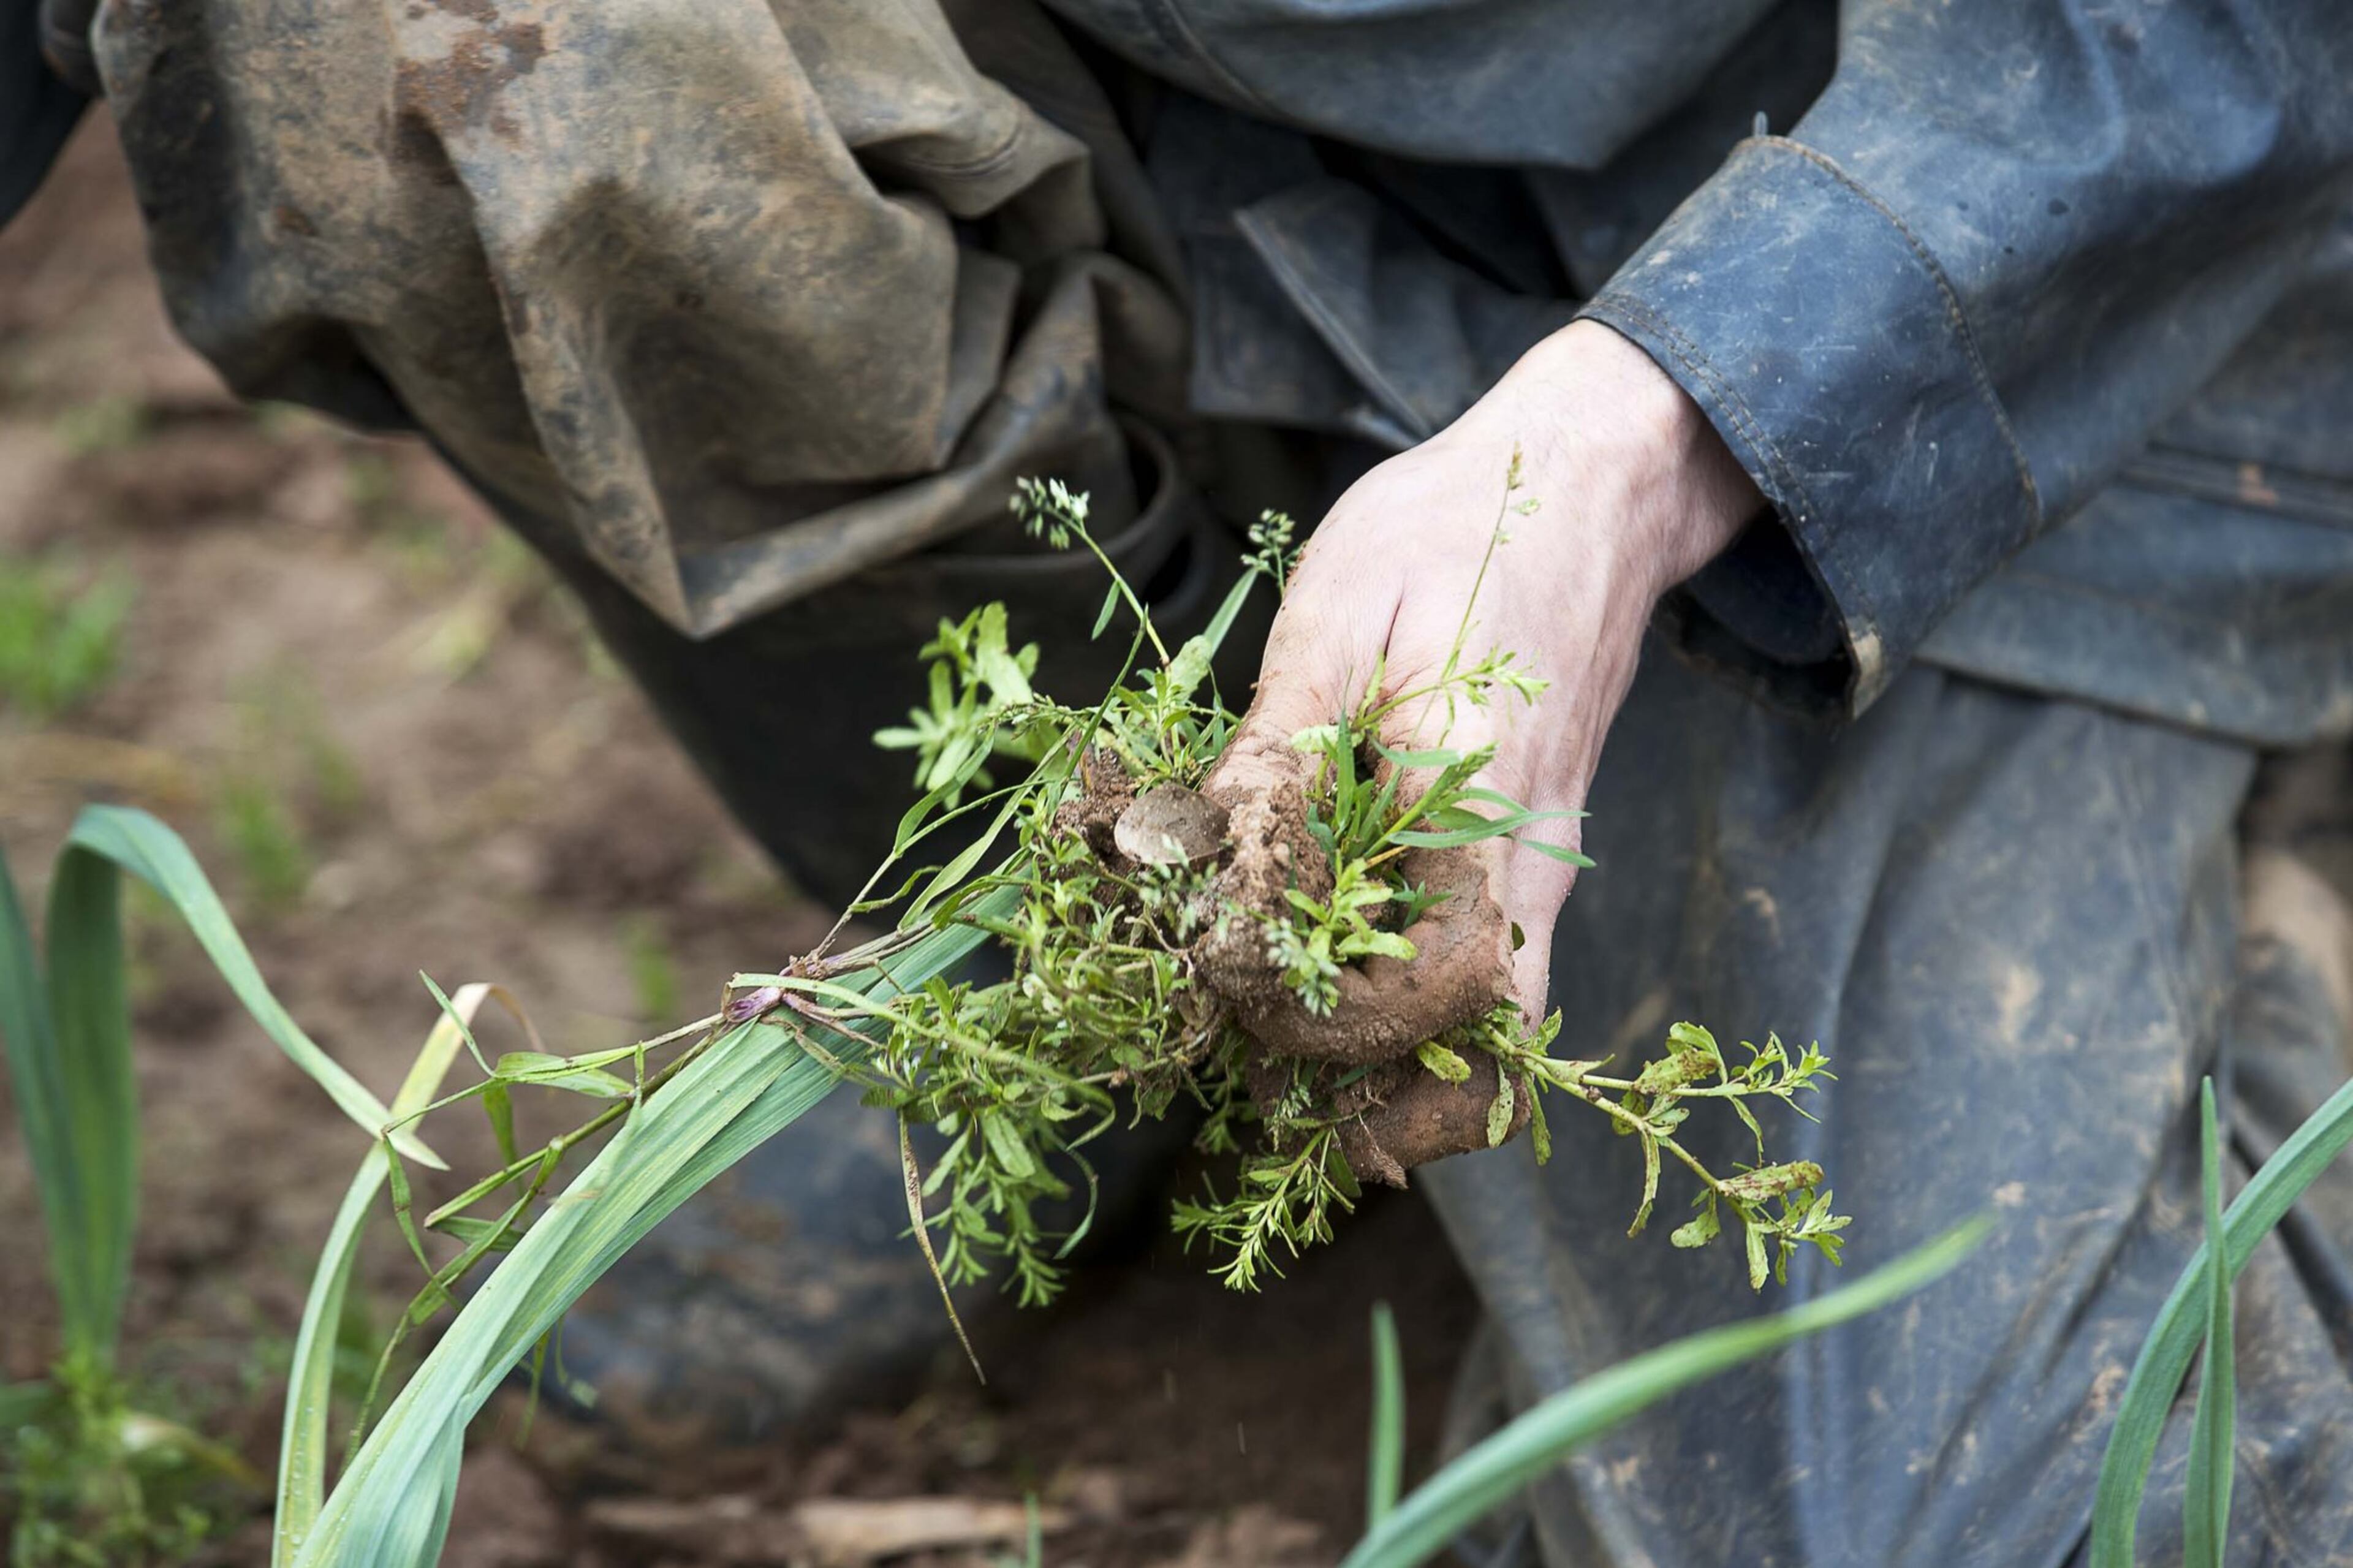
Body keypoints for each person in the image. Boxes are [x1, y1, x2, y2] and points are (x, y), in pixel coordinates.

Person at [12, 0, 2353, 1560]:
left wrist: (1651, 449)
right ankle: (1097, 969)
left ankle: (2232, 950)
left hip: (1990, 282)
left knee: (1995, 1514)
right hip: (1128, 118)